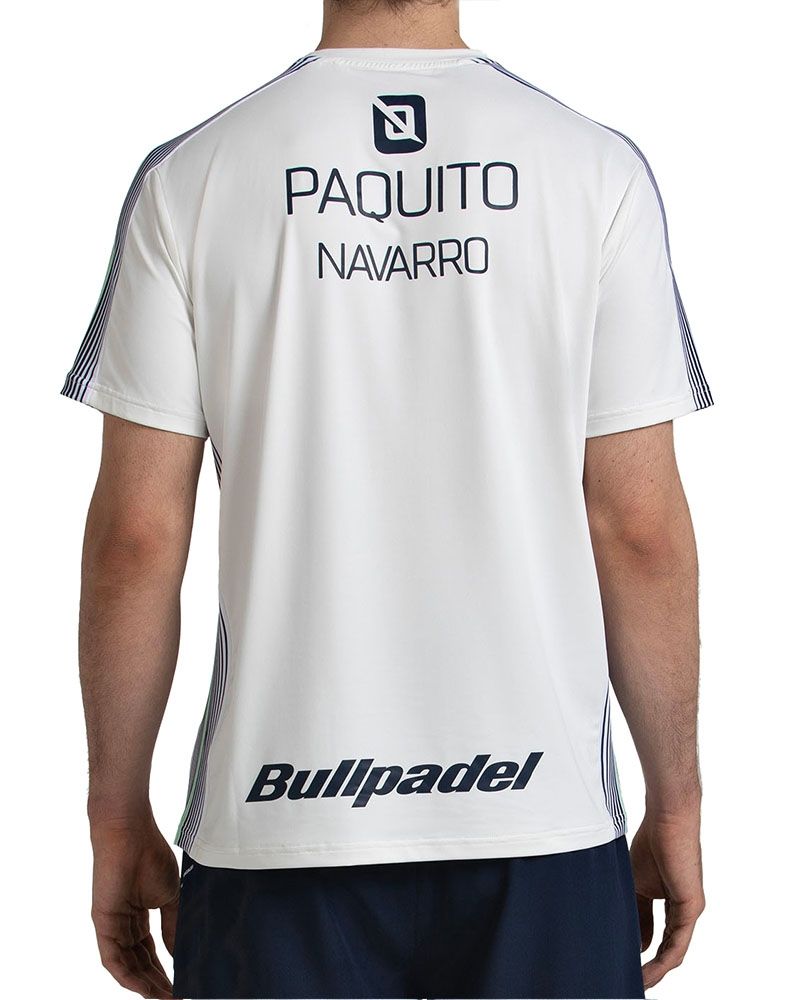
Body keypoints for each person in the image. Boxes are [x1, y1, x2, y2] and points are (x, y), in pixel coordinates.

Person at [61, 0, 711, 996]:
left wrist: (114, 815)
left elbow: (138, 538)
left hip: (277, 821)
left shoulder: (194, 176)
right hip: (539, 820)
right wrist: (677, 801)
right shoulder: (592, 170)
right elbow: (638, 529)